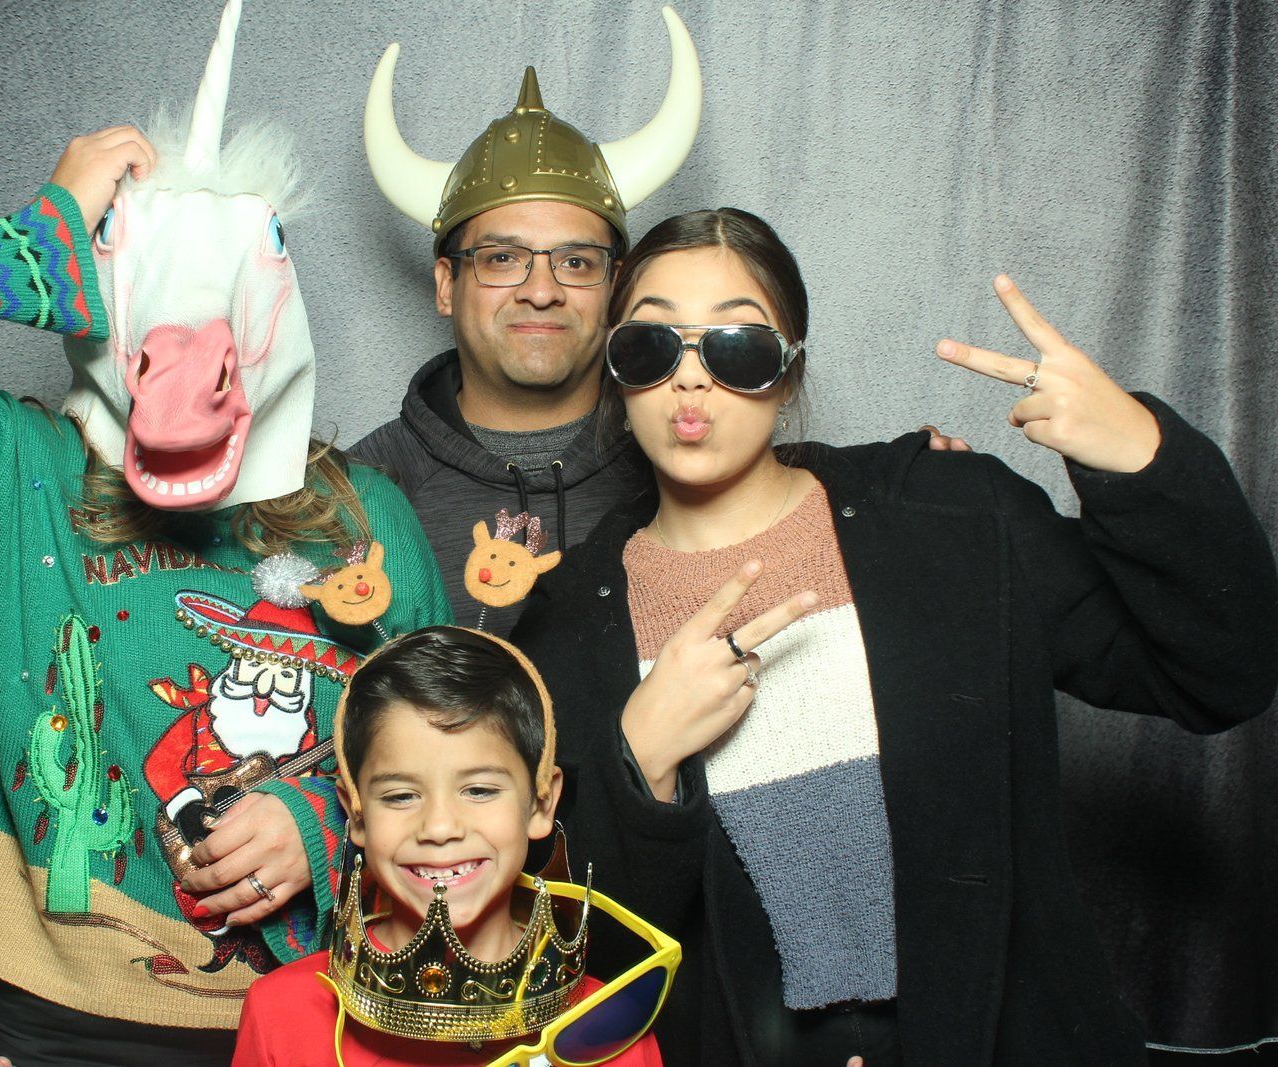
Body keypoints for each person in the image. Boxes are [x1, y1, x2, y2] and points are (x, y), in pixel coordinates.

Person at [0, 9, 450, 1063]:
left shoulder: (372, 520)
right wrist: (34, 238)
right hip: (73, 1024)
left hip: (332, 1011)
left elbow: (445, 754)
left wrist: (320, 825)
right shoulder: (14, 478)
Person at [508, 207, 1278, 1065]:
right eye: (651, 347)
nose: (692, 382)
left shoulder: (949, 516)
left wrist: (1142, 453)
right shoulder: (567, 621)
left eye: (738, 347)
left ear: (790, 374)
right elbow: (577, 962)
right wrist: (638, 762)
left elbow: (1224, 673)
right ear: (617, 372)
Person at [350, 14, 967, 632]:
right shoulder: (351, 499)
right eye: (502, 259)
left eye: (575, 261)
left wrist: (911, 485)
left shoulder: (693, 456)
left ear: (617, 287)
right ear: (446, 285)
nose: (542, 291)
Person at [232, 626, 666, 1066]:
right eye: (400, 796)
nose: (439, 828)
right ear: (356, 813)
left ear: (540, 803)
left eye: (479, 790)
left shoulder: (611, 1028)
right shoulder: (281, 1014)